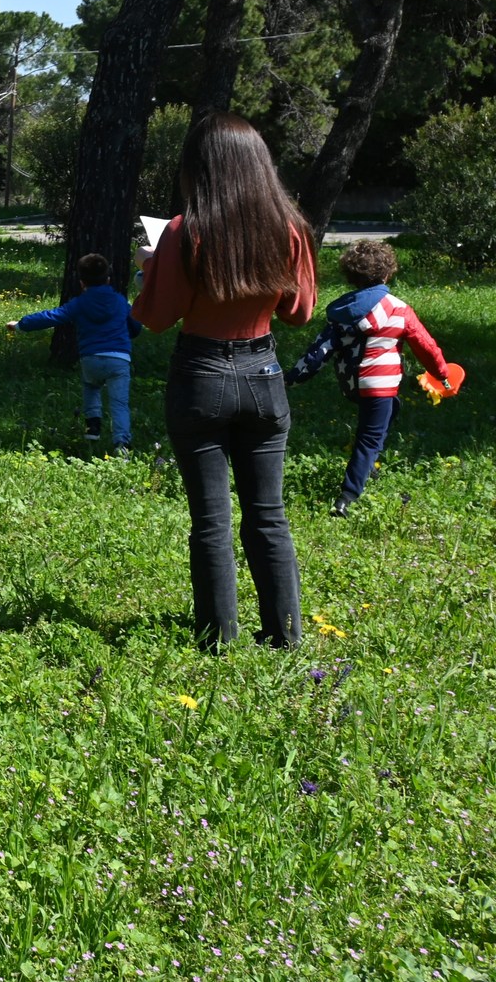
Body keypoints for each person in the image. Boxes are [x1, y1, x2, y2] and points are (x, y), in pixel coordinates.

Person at [134, 111, 316, 651]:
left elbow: (157, 317)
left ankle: (218, 638)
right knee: (268, 514)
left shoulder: (183, 231)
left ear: (200, 168)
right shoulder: (289, 228)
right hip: (263, 372)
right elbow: (300, 313)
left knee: (210, 519)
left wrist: (151, 266)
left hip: (201, 373)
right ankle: (284, 637)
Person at [285, 239, 450, 517]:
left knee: (387, 414)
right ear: (387, 273)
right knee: (369, 438)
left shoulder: (341, 312)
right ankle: (347, 497)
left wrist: (291, 378)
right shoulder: (399, 309)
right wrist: (442, 374)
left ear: (352, 276)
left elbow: (318, 352)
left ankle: (367, 468)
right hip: (380, 386)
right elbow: (426, 346)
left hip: (352, 384)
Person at [8, 253, 143, 451]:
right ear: (108, 279)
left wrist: (21, 325)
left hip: (91, 357)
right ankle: (122, 443)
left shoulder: (80, 303)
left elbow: (52, 316)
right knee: (119, 403)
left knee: (91, 386)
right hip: (119, 358)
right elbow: (136, 327)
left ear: (81, 283)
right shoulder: (120, 301)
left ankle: (93, 425)